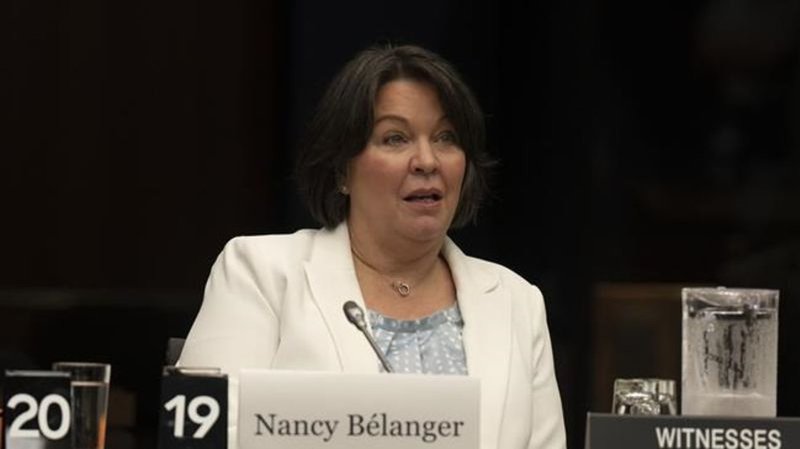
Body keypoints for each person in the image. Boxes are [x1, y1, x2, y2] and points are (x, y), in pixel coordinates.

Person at [179, 43, 566, 449]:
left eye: (446, 137)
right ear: (342, 170)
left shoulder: (517, 302)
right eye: (395, 138)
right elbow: (200, 438)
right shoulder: (260, 274)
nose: (427, 160)